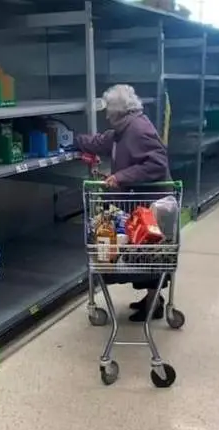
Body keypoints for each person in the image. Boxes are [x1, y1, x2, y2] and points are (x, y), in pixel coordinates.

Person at [75, 84, 171, 322]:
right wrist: (75, 141)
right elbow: (101, 142)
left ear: (120, 112)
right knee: (143, 254)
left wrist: (121, 177)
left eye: (109, 112)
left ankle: (154, 304)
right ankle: (153, 300)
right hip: (139, 203)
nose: (107, 117)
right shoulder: (123, 129)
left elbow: (157, 163)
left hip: (151, 205)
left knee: (148, 254)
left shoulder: (138, 130)